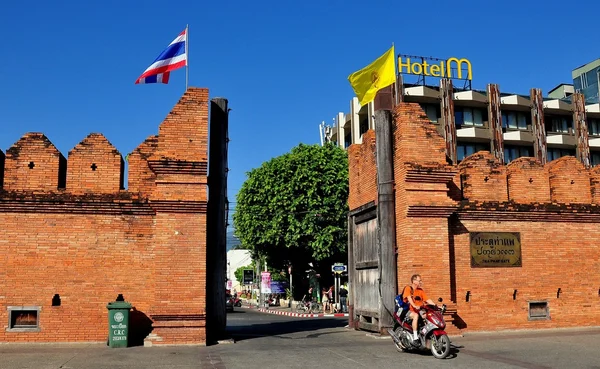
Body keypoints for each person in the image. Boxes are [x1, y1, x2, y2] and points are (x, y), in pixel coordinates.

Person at [402, 274, 435, 341]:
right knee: (416, 316)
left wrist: (435, 305)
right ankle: (415, 336)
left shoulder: (420, 290)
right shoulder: (408, 288)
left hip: (419, 310)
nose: (420, 282)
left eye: (420, 281)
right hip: (408, 310)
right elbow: (409, 298)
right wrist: (414, 305)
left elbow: (427, 300)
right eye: (419, 280)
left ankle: (425, 333)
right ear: (414, 281)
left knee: (427, 316)